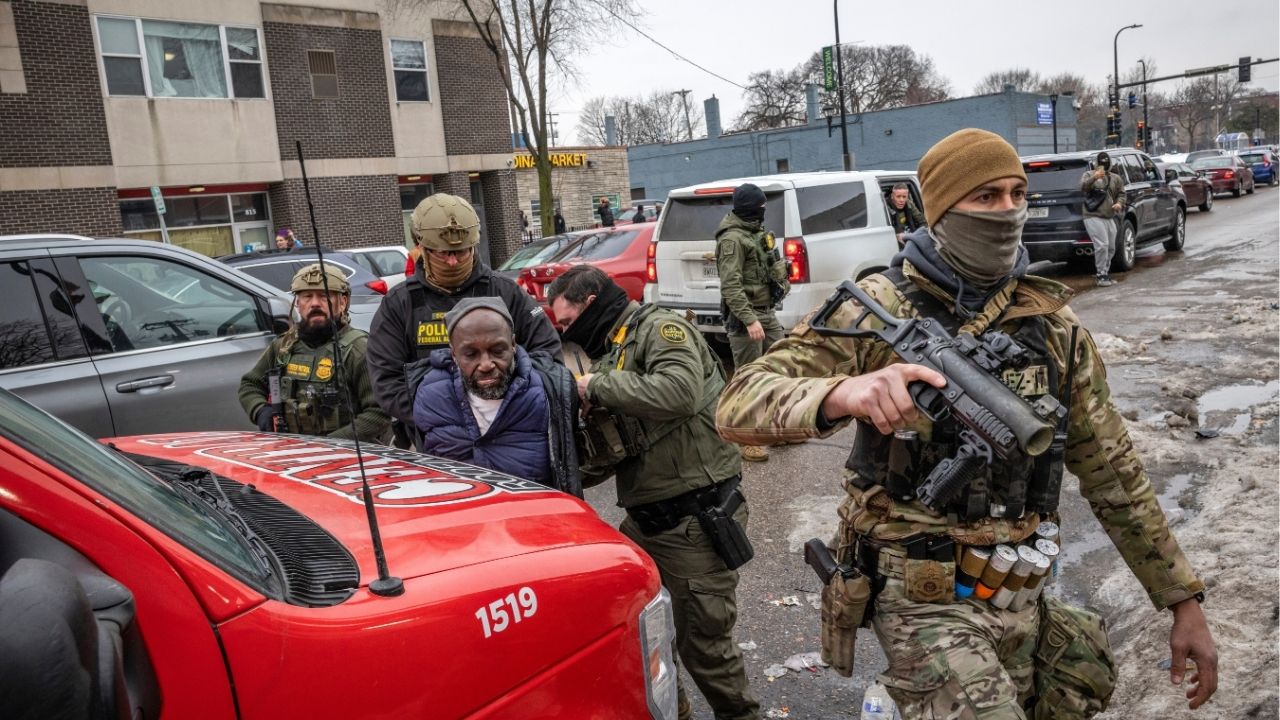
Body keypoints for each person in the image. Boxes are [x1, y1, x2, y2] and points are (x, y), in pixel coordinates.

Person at [716, 128, 1216, 719]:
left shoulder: (1053, 325)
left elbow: (1114, 471)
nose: (1006, 211)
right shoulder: (881, 308)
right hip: (917, 590)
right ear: (941, 208)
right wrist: (844, 392)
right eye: (984, 197)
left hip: (1018, 587)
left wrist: (1183, 601)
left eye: (1015, 194)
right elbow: (738, 404)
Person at [547, 265, 760, 720]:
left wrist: (595, 385)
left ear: (589, 305)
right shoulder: (617, 349)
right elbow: (620, 444)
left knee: (705, 646)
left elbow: (679, 392)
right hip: (648, 522)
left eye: (566, 324)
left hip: (695, 523)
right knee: (645, 634)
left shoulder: (661, 329)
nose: (566, 333)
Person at [367, 192, 561, 450]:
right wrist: (442, 418)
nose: (453, 261)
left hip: (509, 433)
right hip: (435, 441)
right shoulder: (400, 304)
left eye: (461, 252)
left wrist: (502, 410)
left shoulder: (506, 292)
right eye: (443, 253)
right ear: (421, 248)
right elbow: (386, 381)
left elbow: (548, 358)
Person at [411, 298, 580, 493]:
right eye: (471, 354)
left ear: (513, 345)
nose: (485, 364)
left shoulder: (548, 391)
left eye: (497, 351)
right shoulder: (430, 396)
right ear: (454, 354)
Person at [239, 262, 390, 443]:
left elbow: (379, 414)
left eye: (324, 296)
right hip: (293, 452)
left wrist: (329, 444)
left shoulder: (359, 349)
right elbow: (250, 385)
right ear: (298, 304)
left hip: (348, 458)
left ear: (342, 302)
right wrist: (260, 410)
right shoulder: (284, 346)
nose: (315, 304)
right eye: (307, 297)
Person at [715, 182, 789, 463]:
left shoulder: (753, 233)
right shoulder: (732, 240)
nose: (763, 211)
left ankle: (775, 429)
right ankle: (745, 440)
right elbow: (730, 286)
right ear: (751, 208)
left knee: (781, 363)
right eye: (761, 206)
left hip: (765, 311)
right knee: (747, 377)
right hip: (745, 316)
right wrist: (749, 320)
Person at [1081, 151, 1127, 287]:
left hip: (1109, 215)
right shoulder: (1089, 175)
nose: (1104, 165)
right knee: (1102, 245)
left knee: (1112, 247)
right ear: (1096, 163)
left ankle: (1105, 273)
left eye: (1106, 162)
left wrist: (1119, 203)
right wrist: (1094, 178)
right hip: (1093, 215)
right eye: (1101, 162)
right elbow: (1083, 187)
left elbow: (1122, 193)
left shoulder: (1116, 178)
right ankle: (1101, 275)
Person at [888, 182, 926, 248]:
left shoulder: (909, 204)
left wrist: (919, 235)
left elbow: (922, 221)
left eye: (904, 197)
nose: (901, 200)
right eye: (898, 196)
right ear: (892, 196)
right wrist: (895, 236)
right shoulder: (885, 207)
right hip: (895, 242)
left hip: (912, 237)